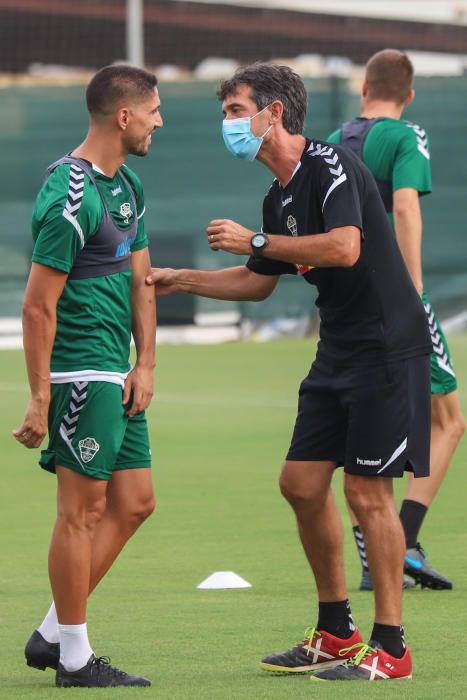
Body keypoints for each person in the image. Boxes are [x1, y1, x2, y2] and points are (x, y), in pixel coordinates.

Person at [146, 62, 432, 681]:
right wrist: (181, 280)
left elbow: (343, 246)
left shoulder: (329, 166)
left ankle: (392, 647)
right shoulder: (277, 195)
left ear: (272, 113)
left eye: (234, 111)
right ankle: (335, 631)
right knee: (301, 484)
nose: (228, 124)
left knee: (365, 492)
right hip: (340, 347)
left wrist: (255, 241)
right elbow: (258, 284)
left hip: (387, 344)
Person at [13, 64, 162, 688]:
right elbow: (36, 306)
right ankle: (74, 658)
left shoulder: (127, 187)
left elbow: (142, 280)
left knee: (134, 503)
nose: (160, 120)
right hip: (79, 372)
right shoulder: (68, 195)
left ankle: (52, 632)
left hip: (117, 371)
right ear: (122, 116)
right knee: (80, 512)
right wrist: (40, 396)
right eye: (153, 110)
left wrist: (147, 362)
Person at [327, 49, 465, 592]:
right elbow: (405, 205)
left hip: (351, 300)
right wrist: (415, 288)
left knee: (363, 420)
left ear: (363, 87)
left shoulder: (338, 140)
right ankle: (402, 540)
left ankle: (384, 545)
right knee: (449, 420)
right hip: (396, 295)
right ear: (408, 95)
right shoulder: (407, 137)